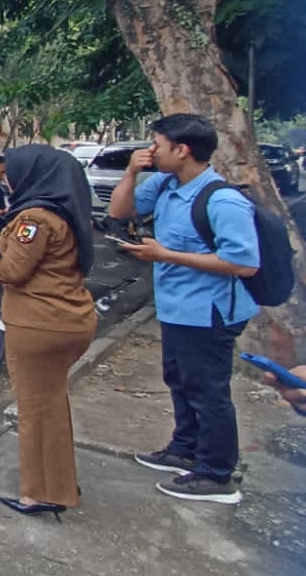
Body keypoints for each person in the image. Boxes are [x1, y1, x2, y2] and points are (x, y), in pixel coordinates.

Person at [109, 113, 259, 505]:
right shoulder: (164, 184)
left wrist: (165, 254)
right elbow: (119, 213)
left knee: (208, 391)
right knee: (179, 380)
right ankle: (185, 448)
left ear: (182, 150)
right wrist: (129, 173)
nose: (150, 150)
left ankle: (216, 474)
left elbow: (244, 263)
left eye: (157, 143)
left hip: (207, 313)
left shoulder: (222, 200)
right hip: (176, 308)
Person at [0, 145, 96, 519]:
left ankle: (39, 493)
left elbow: (13, 271)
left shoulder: (36, 219)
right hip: (67, 317)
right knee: (51, 407)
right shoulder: (65, 212)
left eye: (13, 170)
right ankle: (58, 483)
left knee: (34, 410)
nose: (7, 176)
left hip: (39, 322)